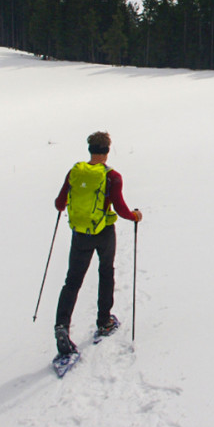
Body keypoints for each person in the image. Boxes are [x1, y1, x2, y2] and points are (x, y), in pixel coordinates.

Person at [53, 131, 142, 355]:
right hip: (103, 233)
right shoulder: (112, 177)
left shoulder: (75, 171)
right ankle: (104, 321)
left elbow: (59, 203)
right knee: (106, 272)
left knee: (72, 281)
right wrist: (135, 216)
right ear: (107, 151)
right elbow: (121, 209)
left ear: (90, 149)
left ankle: (62, 326)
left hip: (80, 234)